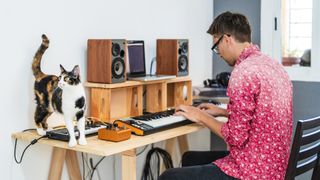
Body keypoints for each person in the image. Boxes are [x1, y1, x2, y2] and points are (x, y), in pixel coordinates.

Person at [159, 11, 293, 180]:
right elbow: (261, 114)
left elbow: (235, 137)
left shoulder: (243, 72)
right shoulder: (273, 66)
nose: (219, 53)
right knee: (189, 158)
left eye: (216, 47)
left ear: (227, 39)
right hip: (275, 168)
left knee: (169, 177)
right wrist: (222, 112)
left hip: (251, 172)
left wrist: (200, 116)